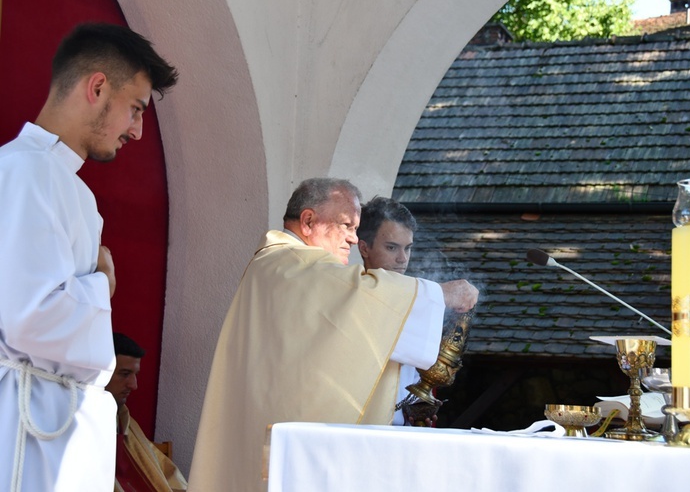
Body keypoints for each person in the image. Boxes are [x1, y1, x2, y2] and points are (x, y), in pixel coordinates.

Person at [188, 178, 478, 492]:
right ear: (309, 220)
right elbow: (356, 294)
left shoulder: (276, 265)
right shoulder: (291, 265)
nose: (354, 239)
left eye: (356, 229)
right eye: (345, 226)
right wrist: (439, 295)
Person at [0, 23, 177, 492]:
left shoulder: (68, 186)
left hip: (52, 422)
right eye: (135, 109)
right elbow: (30, 319)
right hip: (22, 429)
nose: (137, 132)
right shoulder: (23, 171)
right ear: (97, 87)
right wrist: (101, 284)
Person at [357, 196, 425, 425]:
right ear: (364, 247)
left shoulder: (415, 298)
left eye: (408, 248)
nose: (402, 259)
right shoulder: (350, 298)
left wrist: (417, 408)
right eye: (392, 247)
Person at [107, 333, 187, 492]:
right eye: (124, 374)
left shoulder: (126, 422)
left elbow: (166, 475)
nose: (133, 385)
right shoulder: (77, 427)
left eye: (135, 375)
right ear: (99, 372)